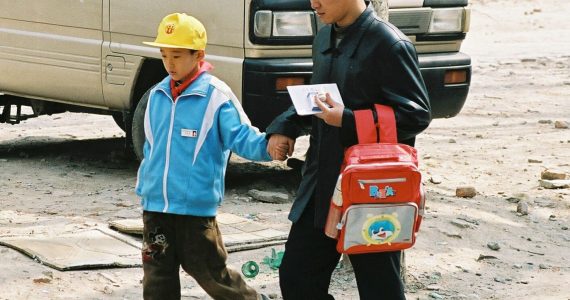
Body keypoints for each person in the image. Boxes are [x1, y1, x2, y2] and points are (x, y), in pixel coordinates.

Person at [266, 0, 431, 299]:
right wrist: (285, 125)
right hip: (322, 183)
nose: (313, 3)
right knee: (297, 276)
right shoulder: (324, 36)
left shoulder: (390, 44)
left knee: (379, 287)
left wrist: (347, 119)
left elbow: (416, 116)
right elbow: (320, 96)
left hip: (372, 190)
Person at [135, 13, 280, 300]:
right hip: (156, 209)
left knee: (211, 273)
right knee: (157, 277)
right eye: (164, 55)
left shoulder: (216, 96)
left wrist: (270, 146)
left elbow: (242, 137)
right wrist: (146, 186)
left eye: (177, 55)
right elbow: (151, 147)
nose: (169, 63)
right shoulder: (157, 95)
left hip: (194, 211)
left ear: (198, 55)